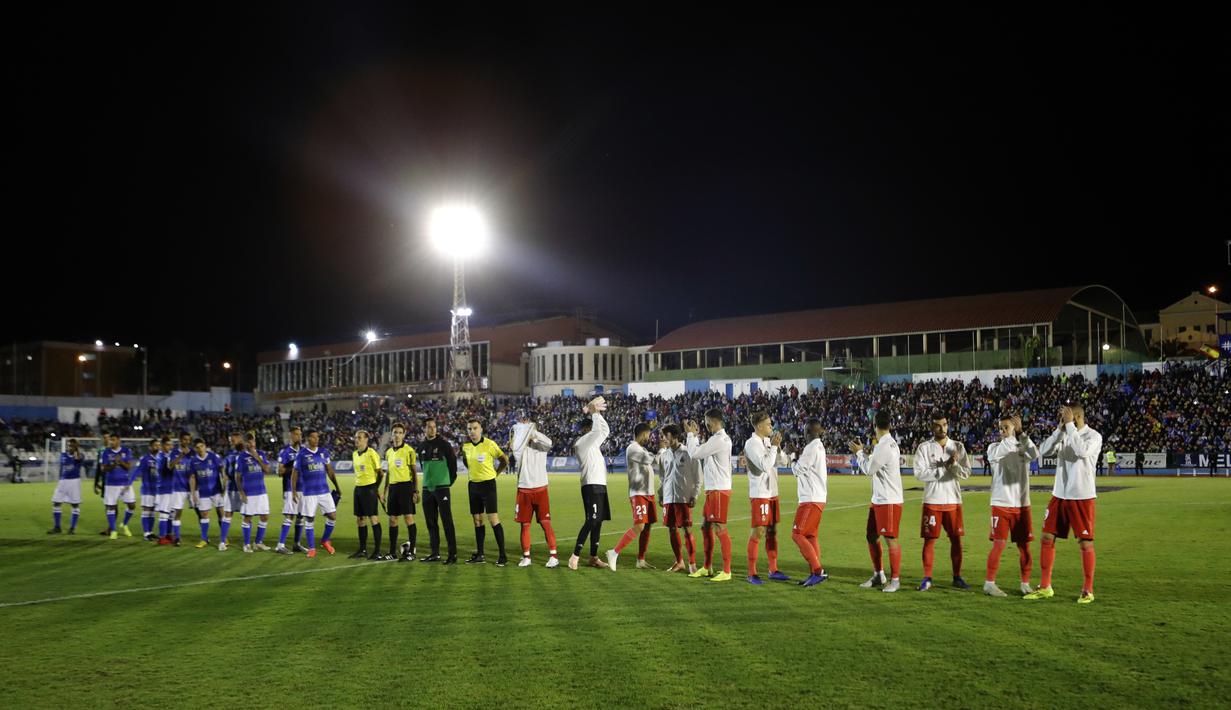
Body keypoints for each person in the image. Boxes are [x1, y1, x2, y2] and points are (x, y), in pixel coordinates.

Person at [1028, 404, 1101, 604]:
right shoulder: (1065, 433)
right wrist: (1059, 430)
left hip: (1082, 496)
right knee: (1046, 537)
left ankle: (1088, 590)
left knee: (1085, 542)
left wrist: (1069, 426)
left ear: (1077, 416)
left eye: (1067, 416)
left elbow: (1081, 452)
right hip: (1059, 494)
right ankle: (1045, 587)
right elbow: (1042, 451)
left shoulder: (1093, 436)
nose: (1064, 419)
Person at [912, 412, 973, 591]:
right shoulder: (924, 448)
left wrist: (953, 465)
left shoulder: (958, 446)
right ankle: (927, 578)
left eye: (945, 424)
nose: (942, 428)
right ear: (932, 427)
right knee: (929, 541)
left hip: (953, 500)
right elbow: (919, 474)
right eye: (938, 425)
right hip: (932, 500)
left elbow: (966, 473)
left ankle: (957, 577)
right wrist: (943, 468)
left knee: (956, 540)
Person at [983, 415, 1039, 597]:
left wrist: (1021, 433)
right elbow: (1002, 451)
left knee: (1024, 547)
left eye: (1006, 427)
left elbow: (1035, 454)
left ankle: (1025, 584)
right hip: (1001, 503)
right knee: (999, 544)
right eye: (1000, 428)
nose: (1002, 431)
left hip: (1022, 505)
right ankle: (989, 584)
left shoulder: (1023, 445)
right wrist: (1014, 435)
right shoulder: (994, 448)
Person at [850, 411, 904, 593]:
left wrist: (858, 454)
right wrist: (864, 452)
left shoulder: (884, 446)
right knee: (871, 536)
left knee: (891, 539)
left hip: (888, 500)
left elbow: (869, 470)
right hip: (879, 499)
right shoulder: (888, 443)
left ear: (874, 425)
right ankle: (879, 574)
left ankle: (895, 580)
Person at [684, 409, 734, 582]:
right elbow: (702, 451)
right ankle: (707, 567)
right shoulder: (719, 439)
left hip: (719, 490)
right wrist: (694, 437)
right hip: (714, 489)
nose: (705, 425)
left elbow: (695, 453)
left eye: (706, 422)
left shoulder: (719, 439)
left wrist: (690, 436)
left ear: (712, 421)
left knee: (720, 528)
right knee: (706, 527)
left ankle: (727, 571)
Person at [742, 411, 790, 585]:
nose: (771, 426)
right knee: (759, 532)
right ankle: (751, 573)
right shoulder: (752, 443)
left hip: (772, 492)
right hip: (760, 493)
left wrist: (778, 448)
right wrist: (774, 448)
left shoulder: (768, 442)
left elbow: (783, 462)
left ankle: (773, 569)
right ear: (760, 426)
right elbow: (764, 465)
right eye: (769, 424)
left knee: (772, 531)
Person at [606, 423, 657, 571]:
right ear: (642, 434)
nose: (649, 437)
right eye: (648, 434)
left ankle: (641, 560)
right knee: (640, 525)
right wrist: (660, 450)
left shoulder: (642, 449)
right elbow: (650, 460)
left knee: (647, 526)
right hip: (639, 493)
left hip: (648, 492)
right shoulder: (633, 448)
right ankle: (614, 552)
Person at [509, 415, 559, 568]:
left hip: (540, 487)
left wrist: (533, 432)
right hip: (524, 488)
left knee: (545, 523)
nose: (524, 424)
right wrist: (521, 432)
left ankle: (553, 556)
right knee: (525, 525)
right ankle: (526, 557)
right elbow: (514, 447)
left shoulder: (541, 444)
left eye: (527, 422)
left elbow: (549, 443)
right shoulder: (519, 446)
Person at [459, 418, 510, 566]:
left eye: (475, 428)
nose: (472, 432)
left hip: (488, 485)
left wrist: (496, 474)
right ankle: (480, 554)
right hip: (473, 485)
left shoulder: (490, 444)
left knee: (493, 519)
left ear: (481, 429)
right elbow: (465, 462)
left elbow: (504, 460)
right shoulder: (466, 447)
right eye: (469, 429)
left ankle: (503, 556)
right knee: (477, 520)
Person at [569, 397, 611, 570]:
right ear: (586, 429)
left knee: (598, 521)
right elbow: (596, 433)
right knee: (591, 520)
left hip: (600, 484)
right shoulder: (581, 443)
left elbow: (605, 431)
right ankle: (575, 555)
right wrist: (594, 413)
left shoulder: (592, 444)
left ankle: (593, 557)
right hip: (590, 485)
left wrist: (598, 414)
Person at [656, 424, 700, 574]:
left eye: (665, 436)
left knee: (687, 530)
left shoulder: (688, 453)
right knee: (671, 530)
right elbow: (663, 477)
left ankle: (692, 564)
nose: (663, 439)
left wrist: (695, 494)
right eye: (662, 436)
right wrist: (661, 494)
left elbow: (697, 476)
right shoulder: (664, 455)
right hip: (669, 497)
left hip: (683, 497)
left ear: (675, 437)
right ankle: (679, 561)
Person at [790, 420, 829, 588]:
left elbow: (798, 470)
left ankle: (818, 571)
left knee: (797, 534)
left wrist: (792, 456)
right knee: (810, 536)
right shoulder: (818, 447)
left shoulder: (812, 447)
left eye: (805, 430)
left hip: (810, 499)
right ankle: (814, 573)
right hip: (817, 498)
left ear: (809, 432)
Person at [417, 417, 459, 565]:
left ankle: (452, 555)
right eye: (429, 427)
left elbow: (453, 466)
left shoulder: (444, 445)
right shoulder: (421, 446)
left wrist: (447, 482)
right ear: (424, 429)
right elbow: (423, 467)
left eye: (434, 427)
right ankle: (435, 553)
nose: (432, 429)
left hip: (442, 488)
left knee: (447, 521)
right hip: (427, 488)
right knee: (431, 522)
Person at [384, 422, 420, 562]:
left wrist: (415, 490)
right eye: (395, 432)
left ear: (404, 434)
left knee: (408, 518)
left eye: (400, 432)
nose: (397, 435)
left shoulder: (409, 451)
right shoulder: (388, 452)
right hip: (393, 488)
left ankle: (412, 552)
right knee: (392, 520)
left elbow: (414, 472)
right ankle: (392, 552)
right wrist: (385, 490)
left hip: (406, 487)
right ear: (391, 435)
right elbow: (388, 472)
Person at [350, 430, 385, 560]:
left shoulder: (372, 454)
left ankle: (377, 551)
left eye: (359, 438)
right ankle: (362, 549)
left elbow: (381, 473)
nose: (356, 440)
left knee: (373, 519)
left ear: (366, 440)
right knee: (360, 520)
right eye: (355, 437)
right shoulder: (354, 454)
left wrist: (375, 488)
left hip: (369, 489)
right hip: (358, 488)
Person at [48, 438, 85, 534]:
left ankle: (72, 528)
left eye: (72, 446)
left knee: (74, 505)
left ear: (76, 447)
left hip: (74, 482)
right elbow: (62, 468)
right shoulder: (63, 455)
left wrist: (76, 449)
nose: (70, 447)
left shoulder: (80, 455)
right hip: (63, 482)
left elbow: (77, 458)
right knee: (56, 502)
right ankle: (57, 527)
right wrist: (60, 479)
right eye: (69, 445)